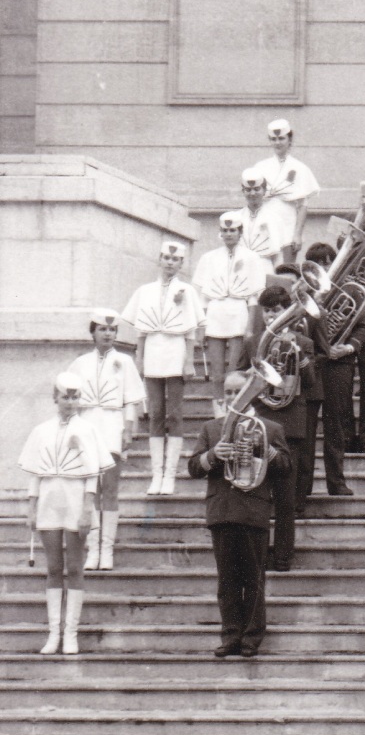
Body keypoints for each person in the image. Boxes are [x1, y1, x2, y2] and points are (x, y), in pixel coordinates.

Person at [189, 370, 288, 658]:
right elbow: (194, 467)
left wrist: (269, 453)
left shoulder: (271, 428)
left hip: (253, 510)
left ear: (252, 392)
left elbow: (286, 468)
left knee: (253, 578)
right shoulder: (211, 429)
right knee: (227, 580)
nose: (233, 397)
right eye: (229, 392)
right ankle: (230, 634)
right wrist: (212, 456)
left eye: (238, 391)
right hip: (222, 510)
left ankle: (252, 637)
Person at [18, 375, 106, 655]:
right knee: (54, 569)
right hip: (48, 502)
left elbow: (93, 475)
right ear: (54, 398)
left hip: (75, 500)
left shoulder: (89, 429)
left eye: (75, 397)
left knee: (75, 568)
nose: (71, 402)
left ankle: (71, 634)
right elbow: (35, 474)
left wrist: (87, 509)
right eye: (65, 397)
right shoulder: (41, 430)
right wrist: (32, 509)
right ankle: (53, 633)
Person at [121, 240, 205, 496]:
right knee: (156, 413)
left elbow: (190, 330)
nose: (170, 263)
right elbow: (141, 330)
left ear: (180, 264)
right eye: (166, 259)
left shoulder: (187, 291)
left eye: (175, 260)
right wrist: (140, 357)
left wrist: (189, 360)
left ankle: (170, 474)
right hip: (153, 353)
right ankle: (157, 474)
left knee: (175, 414)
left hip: (176, 351)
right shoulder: (145, 290)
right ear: (160, 260)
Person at [66, 310, 140, 572]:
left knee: (109, 489)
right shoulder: (80, 363)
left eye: (112, 330)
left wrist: (128, 430)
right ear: (93, 332)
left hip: (111, 425)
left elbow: (131, 400)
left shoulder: (125, 362)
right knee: (89, 489)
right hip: (86, 425)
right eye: (102, 329)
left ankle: (106, 548)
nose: (108, 334)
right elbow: (70, 400)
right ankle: (93, 549)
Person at [299, 242, 365, 498]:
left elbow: (362, 325)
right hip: (310, 365)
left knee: (336, 425)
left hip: (338, 364)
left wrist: (349, 348)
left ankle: (336, 482)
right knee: (306, 428)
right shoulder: (302, 293)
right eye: (320, 264)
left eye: (329, 262)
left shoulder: (348, 291)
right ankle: (302, 486)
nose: (326, 269)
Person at [252, 283, 317, 572]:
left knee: (285, 497)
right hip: (260, 421)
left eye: (276, 311)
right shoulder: (253, 341)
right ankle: (258, 552)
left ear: (287, 313)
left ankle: (282, 555)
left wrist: (297, 353)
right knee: (258, 494)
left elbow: (312, 383)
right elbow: (239, 380)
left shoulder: (303, 343)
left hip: (290, 426)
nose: (270, 316)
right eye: (267, 311)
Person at [193, 212, 267, 385]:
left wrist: (249, 328)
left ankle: (232, 410)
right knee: (217, 374)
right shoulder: (209, 258)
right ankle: (219, 412)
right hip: (214, 316)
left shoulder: (252, 258)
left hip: (238, 315)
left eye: (232, 230)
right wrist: (201, 327)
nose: (228, 234)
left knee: (234, 371)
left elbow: (253, 298)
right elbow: (203, 298)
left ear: (240, 232)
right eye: (225, 230)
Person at [242, 119, 320, 266]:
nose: (277, 143)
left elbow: (303, 204)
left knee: (286, 269)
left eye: (281, 138)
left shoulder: (299, 167)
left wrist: (297, 234)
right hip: (265, 220)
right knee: (263, 265)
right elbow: (251, 199)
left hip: (288, 222)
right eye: (273, 139)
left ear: (289, 140)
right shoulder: (261, 167)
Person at [231, 176, 278, 263]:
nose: (252, 193)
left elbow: (276, 254)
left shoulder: (274, 218)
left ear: (264, 191)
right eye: (248, 190)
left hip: (264, 265)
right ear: (243, 192)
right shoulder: (236, 217)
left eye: (257, 189)